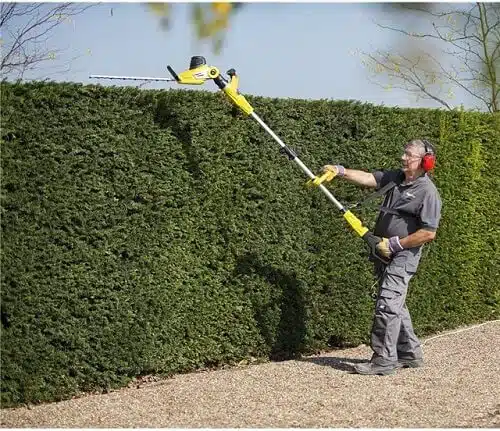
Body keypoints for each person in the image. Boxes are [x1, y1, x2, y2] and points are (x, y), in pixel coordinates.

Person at [322, 139, 442, 375]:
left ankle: (383, 361)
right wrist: (340, 171)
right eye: (404, 153)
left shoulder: (428, 193)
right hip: (382, 250)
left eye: (409, 155)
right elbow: (368, 178)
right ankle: (410, 353)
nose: (403, 158)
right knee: (395, 302)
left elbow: (428, 232)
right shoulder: (396, 178)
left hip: (403, 255)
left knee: (387, 304)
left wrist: (395, 244)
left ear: (425, 162)